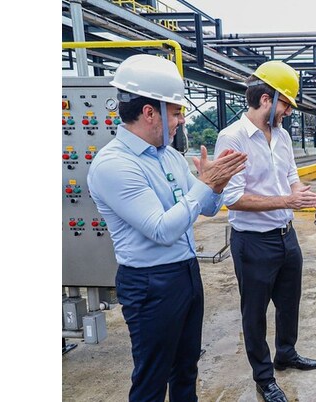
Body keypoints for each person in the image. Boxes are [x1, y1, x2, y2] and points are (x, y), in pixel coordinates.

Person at [87, 54, 247, 401]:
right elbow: (161, 229)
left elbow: (205, 207)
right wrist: (205, 182)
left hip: (186, 274)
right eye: (175, 112)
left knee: (186, 368)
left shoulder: (169, 156)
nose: (180, 120)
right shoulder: (115, 165)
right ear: (149, 112)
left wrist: (215, 185)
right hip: (150, 284)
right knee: (152, 378)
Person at [214, 60, 316, 402]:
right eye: (285, 104)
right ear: (266, 99)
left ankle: (286, 353)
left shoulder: (280, 136)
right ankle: (264, 377)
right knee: (254, 312)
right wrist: (288, 200)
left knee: (288, 302)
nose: (287, 112)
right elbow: (234, 198)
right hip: (253, 242)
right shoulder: (233, 137)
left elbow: (293, 181)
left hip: (286, 235)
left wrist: (314, 200)